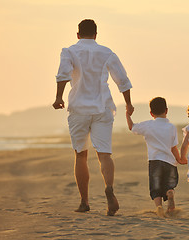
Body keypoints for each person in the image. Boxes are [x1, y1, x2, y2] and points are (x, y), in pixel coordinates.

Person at [52, 19, 134, 216]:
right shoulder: (106, 52)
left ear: (78, 34)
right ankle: (109, 188)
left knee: (81, 154)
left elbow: (62, 74)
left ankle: (84, 202)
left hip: (79, 109)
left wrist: (58, 97)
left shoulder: (69, 51)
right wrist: (128, 103)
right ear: (96, 35)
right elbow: (122, 80)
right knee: (104, 154)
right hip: (103, 108)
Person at [126, 97, 186, 217]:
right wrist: (179, 159)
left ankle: (159, 207)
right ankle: (170, 192)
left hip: (155, 161)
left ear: (151, 113)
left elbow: (132, 127)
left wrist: (128, 114)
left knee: (155, 186)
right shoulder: (172, 127)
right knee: (169, 184)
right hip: (170, 162)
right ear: (166, 110)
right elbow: (174, 147)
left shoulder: (148, 125)